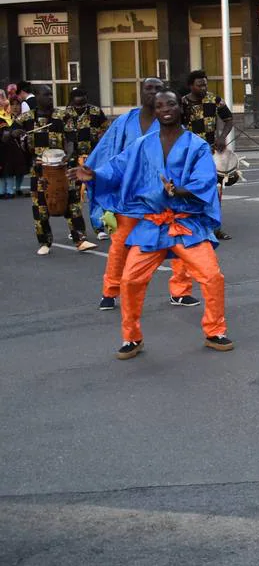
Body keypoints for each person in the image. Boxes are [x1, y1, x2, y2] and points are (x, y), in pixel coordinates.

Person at [75, 91, 232, 360]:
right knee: (130, 279)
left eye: (170, 103)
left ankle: (215, 330)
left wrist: (179, 191)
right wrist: (94, 174)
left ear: (180, 107)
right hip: (151, 225)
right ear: (155, 111)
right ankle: (131, 338)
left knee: (211, 276)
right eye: (159, 106)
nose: (165, 109)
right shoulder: (141, 145)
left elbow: (205, 181)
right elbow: (116, 169)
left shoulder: (196, 145)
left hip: (186, 224)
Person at [86, 77, 196, 310]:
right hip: (129, 197)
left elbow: (185, 158)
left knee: (177, 242)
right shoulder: (124, 122)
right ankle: (110, 290)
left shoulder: (171, 123)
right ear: (141, 92)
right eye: (149, 88)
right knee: (119, 245)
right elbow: (108, 153)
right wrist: (95, 175)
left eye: (158, 89)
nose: (153, 92)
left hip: (162, 198)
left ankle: (180, 290)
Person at [11, 87, 98, 256]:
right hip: (39, 171)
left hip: (62, 168)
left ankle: (80, 239)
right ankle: (44, 242)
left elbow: (72, 139)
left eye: (51, 94)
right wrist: (15, 132)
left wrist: (68, 157)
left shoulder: (62, 116)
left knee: (73, 205)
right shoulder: (27, 118)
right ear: (37, 97)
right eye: (46, 95)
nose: (50, 98)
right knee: (40, 207)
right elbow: (9, 132)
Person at [181, 70, 235, 240]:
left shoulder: (214, 100)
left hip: (211, 152)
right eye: (200, 84)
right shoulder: (182, 103)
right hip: (190, 154)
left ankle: (216, 228)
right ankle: (195, 226)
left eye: (205, 84)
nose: (203, 87)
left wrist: (221, 137)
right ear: (191, 86)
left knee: (215, 191)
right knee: (192, 191)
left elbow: (229, 119)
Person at [58, 87, 110, 237]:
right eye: (77, 105)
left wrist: (101, 144)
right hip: (73, 160)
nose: (80, 107)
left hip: (93, 158)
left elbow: (106, 131)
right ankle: (75, 229)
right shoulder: (64, 115)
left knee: (95, 193)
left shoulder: (95, 112)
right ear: (72, 102)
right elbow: (61, 136)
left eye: (83, 104)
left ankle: (99, 227)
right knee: (73, 196)